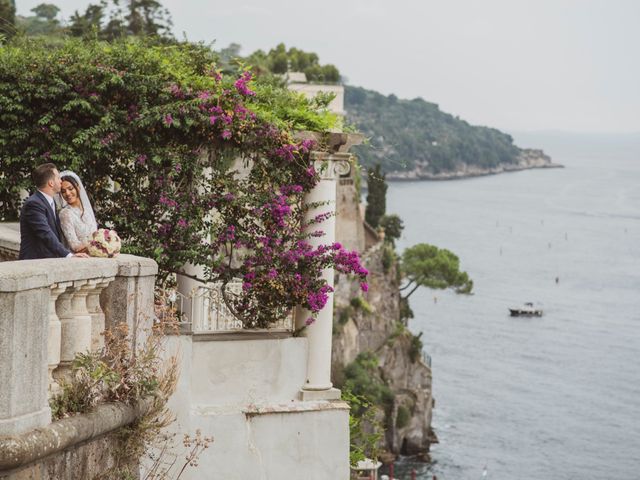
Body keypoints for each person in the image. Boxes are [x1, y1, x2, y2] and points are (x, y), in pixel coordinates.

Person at [19, 163, 88, 259]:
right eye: (58, 178)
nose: (61, 181)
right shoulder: (34, 203)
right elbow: (45, 233)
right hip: (35, 261)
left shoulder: (51, 202)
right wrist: (68, 255)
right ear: (51, 183)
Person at [58, 171, 98, 253]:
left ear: (78, 187)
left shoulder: (87, 210)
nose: (68, 193)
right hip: (80, 258)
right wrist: (98, 246)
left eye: (70, 188)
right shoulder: (65, 214)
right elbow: (74, 246)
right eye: (63, 191)